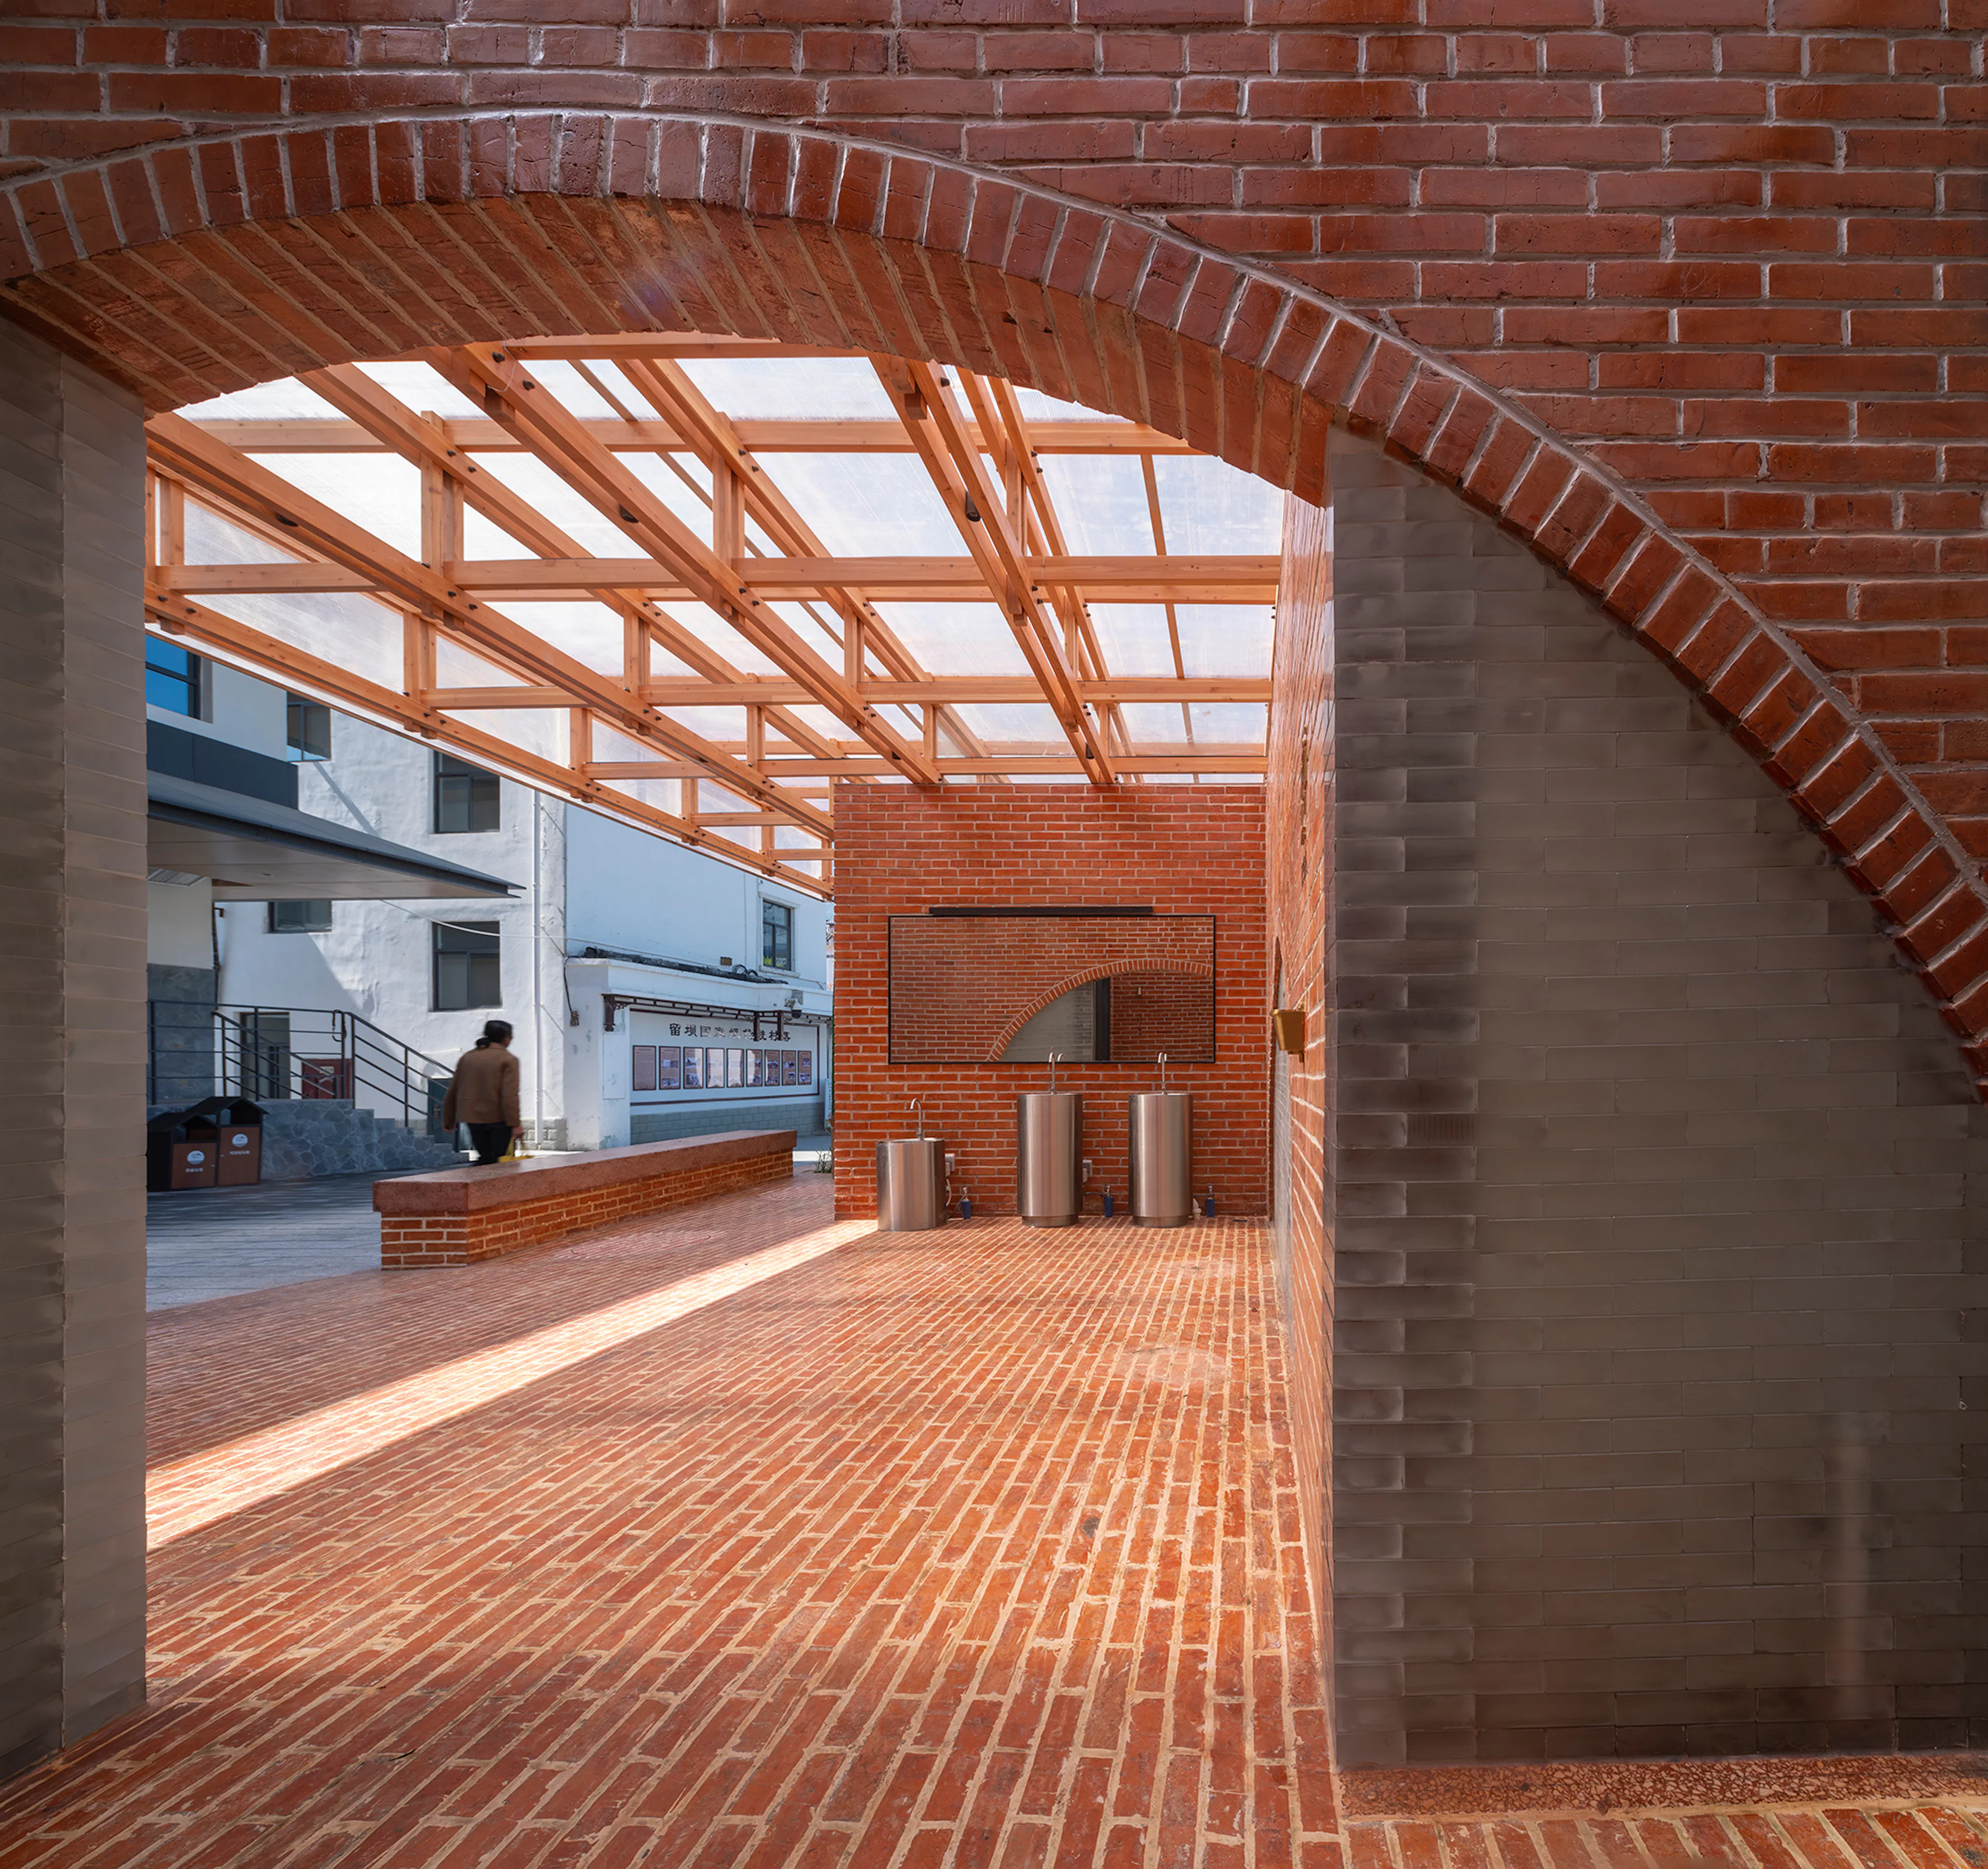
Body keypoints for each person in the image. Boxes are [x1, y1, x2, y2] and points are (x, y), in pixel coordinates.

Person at [441, 1019, 521, 1165]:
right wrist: (515, 1124)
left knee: (484, 1158)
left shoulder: (467, 1058)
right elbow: (509, 1096)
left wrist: (448, 1118)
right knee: (499, 1161)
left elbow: (453, 1090)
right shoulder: (509, 1060)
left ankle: (479, 1184)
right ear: (506, 1039)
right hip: (499, 1118)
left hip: (472, 1117)